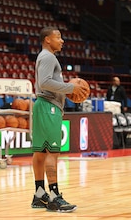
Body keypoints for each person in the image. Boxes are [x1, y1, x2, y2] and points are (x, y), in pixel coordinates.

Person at [31, 27, 80, 212]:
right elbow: (44, 82)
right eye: (58, 37)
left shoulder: (44, 56)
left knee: (41, 152)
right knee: (52, 152)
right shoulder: (49, 57)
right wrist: (70, 88)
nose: (62, 40)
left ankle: (39, 194)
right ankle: (54, 197)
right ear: (47, 39)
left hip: (44, 106)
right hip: (48, 106)